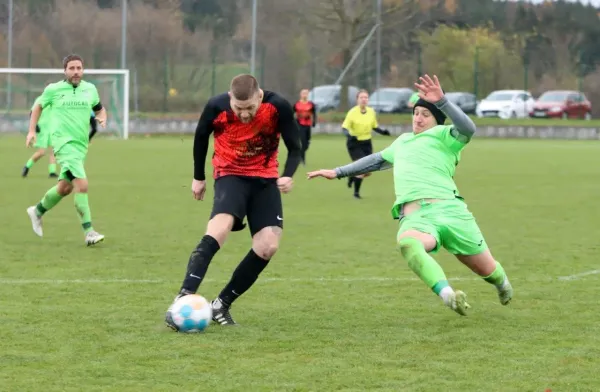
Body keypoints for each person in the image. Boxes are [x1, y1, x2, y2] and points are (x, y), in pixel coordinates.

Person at [307, 75, 513, 316]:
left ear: (437, 120)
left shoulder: (446, 136)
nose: (418, 118)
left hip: (451, 212)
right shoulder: (402, 142)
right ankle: (448, 295)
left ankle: (502, 283)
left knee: (487, 270)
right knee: (407, 243)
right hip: (418, 217)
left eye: (425, 115)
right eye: (416, 113)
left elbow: (469, 128)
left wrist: (443, 101)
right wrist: (338, 172)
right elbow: (375, 160)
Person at [165, 74, 302, 329]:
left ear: (259, 96)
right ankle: (183, 298)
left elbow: (296, 147)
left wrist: (287, 175)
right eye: (239, 108)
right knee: (220, 229)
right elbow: (200, 137)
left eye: (250, 107)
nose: (244, 114)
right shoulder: (216, 106)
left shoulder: (278, 106)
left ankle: (221, 304)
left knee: (268, 246)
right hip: (230, 174)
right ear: (230, 98)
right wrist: (198, 177)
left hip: (264, 179)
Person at [25, 54, 108, 246]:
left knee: (65, 188)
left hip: (80, 146)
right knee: (82, 184)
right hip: (63, 144)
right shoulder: (54, 89)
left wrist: (103, 117)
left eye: (79, 68)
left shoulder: (90, 89)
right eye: (72, 68)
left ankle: (37, 211)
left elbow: (99, 109)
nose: (76, 71)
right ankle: (89, 232)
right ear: (65, 71)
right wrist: (31, 131)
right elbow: (37, 107)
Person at [341, 89, 391, 199]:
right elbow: (344, 127)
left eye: (366, 97)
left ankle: (351, 176)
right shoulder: (352, 112)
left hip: (367, 143)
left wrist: (383, 132)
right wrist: (349, 135)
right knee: (362, 168)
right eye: (361, 97)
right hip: (354, 143)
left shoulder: (371, 111)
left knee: (368, 170)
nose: (364, 100)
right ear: (357, 100)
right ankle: (356, 194)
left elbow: (374, 126)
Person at [21, 94, 58, 178]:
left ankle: (52, 172)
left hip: (52, 129)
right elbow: (32, 112)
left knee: (54, 151)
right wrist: (35, 125)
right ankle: (26, 166)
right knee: (41, 152)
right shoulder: (41, 99)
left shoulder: (56, 100)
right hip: (42, 129)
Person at [293, 88, 317, 163]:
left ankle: (301, 153)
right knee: (303, 142)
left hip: (308, 125)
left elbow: (314, 114)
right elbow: (291, 113)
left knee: (307, 144)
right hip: (300, 125)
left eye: (306, 93)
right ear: (300, 94)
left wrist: (314, 122)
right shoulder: (297, 104)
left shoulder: (311, 104)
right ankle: (302, 159)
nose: (305, 95)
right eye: (303, 93)